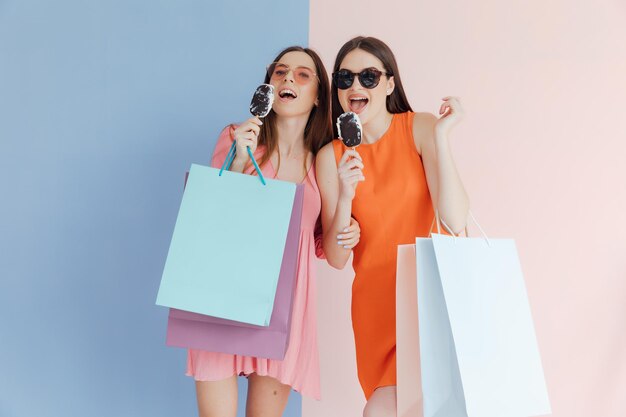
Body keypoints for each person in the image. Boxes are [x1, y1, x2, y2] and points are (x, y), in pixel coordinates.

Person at [186, 45, 361, 417]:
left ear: (317, 97)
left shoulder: (324, 162)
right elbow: (209, 219)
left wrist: (346, 199)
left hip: (283, 311)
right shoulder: (235, 137)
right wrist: (236, 162)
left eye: (302, 75)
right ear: (268, 87)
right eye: (280, 72)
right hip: (222, 296)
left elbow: (336, 256)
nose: (287, 79)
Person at [316, 36, 470, 417]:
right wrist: (347, 193)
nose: (356, 86)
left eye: (369, 76)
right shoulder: (330, 156)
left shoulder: (420, 128)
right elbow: (336, 257)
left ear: (389, 83)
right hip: (377, 308)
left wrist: (443, 138)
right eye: (345, 77)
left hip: (431, 294)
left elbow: (455, 219)